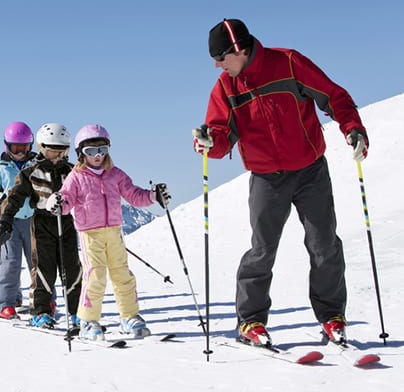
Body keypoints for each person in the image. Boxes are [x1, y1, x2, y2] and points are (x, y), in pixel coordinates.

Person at [193, 19, 369, 346]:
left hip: (310, 170)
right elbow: (219, 137)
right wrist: (206, 142)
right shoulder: (225, 87)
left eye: (220, 57)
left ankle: (332, 316)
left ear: (238, 49)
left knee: (324, 243)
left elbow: (334, 96)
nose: (217, 65)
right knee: (262, 251)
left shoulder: (288, 63)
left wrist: (353, 128)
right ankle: (251, 322)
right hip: (266, 178)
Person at [46, 124, 170, 340]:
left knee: (123, 274)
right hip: (90, 233)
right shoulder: (76, 176)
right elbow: (67, 199)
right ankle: (88, 320)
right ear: (80, 154)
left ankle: (129, 316)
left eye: (102, 150)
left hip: (114, 231)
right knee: (96, 276)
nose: (97, 156)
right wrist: (57, 202)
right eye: (91, 151)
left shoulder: (115, 174)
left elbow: (134, 195)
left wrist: (153, 196)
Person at [0, 122, 82, 329]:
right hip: (42, 222)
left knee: (72, 268)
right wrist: (7, 219)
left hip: (67, 222)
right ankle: (40, 311)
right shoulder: (31, 171)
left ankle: (77, 312)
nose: (57, 157)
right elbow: (15, 196)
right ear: (42, 148)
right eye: (52, 152)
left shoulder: (73, 171)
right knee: (44, 268)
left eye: (62, 152)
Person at [0, 122, 37, 319]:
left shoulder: (37, 165)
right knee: (10, 262)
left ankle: (43, 301)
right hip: (9, 222)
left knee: (38, 263)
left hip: (34, 221)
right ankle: (6, 304)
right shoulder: (0, 169)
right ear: (7, 146)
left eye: (24, 147)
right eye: (16, 147)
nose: (20, 152)